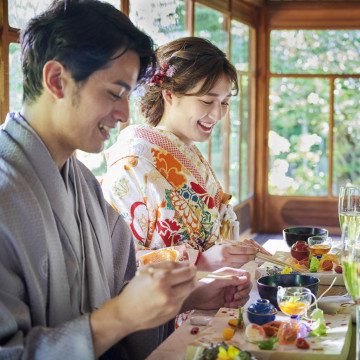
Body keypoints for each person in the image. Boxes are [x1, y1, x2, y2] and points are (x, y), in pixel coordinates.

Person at [0, 2, 252, 359]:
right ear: (56, 80)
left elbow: (122, 286)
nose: (123, 114)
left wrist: (190, 295)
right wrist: (118, 318)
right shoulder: (5, 192)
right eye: (114, 92)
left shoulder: (83, 183)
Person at [101, 37, 271, 272]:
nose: (217, 114)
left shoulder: (187, 152)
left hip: (205, 296)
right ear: (169, 95)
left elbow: (209, 242)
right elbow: (113, 262)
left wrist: (237, 251)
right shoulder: (132, 163)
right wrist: (200, 261)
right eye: (207, 101)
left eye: (224, 103)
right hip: (159, 305)